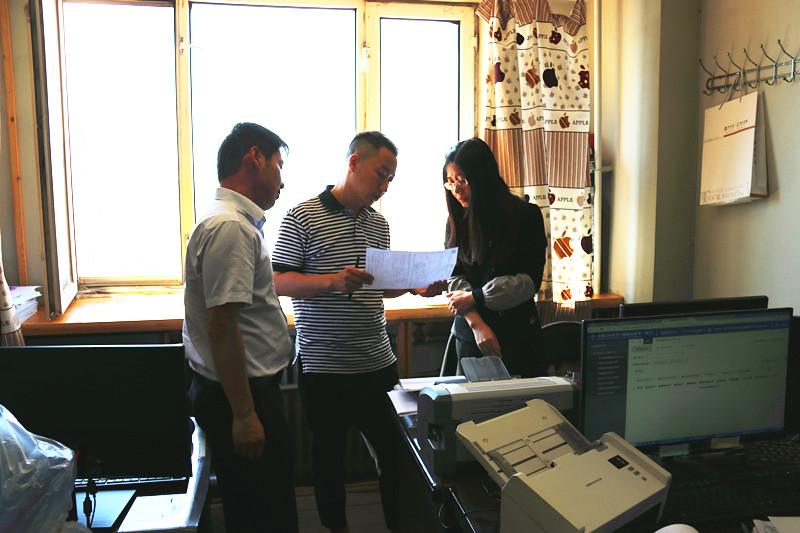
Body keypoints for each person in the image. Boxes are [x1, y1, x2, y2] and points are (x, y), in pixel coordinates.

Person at [271, 131, 442, 533]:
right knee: (329, 462)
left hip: (377, 363)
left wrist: (415, 286)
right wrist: (331, 281)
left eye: (391, 179)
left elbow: (378, 285)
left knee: (396, 456)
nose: (384, 187)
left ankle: (400, 526)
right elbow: (277, 280)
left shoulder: (378, 223)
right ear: (353, 163)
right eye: (381, 174)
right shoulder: (301, 216)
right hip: (324, 367)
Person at [183, 122, 298, 532]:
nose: (282, 181)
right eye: (279, 166)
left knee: (257, 507)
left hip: (240, 391)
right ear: (255, 158)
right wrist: (245, 415)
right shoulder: (230, 227)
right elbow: (222, 325)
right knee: (264, 516)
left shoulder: (233, 221)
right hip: (243, 396)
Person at [443, 137, 548, 378]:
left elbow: (528, 282)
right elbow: (454, 278)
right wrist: (477, 325)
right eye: (450, 182)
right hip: (470, 334)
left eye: (462, 180)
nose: (456, 189)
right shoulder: (456, 221)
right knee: (468, 400)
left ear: (483, 177)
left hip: (518, 335)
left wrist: (476, 297)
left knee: (522, 400)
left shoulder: (526, 216)